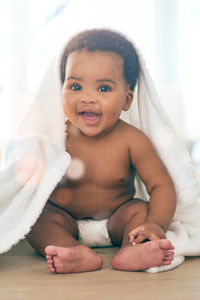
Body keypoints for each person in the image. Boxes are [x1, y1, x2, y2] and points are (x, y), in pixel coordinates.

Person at [27, 29, 177, 273]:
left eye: (104, 89)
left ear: (127, 100)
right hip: (65, 219)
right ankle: (71, 251)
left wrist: (154, 224)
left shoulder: (132, 140)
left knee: (139, 210)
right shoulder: (56, 136)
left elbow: (161, 185)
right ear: (61, 87)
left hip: (117, 220)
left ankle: (132, 251)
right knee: (38, 218)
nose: (87, 98)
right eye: (75, 86)